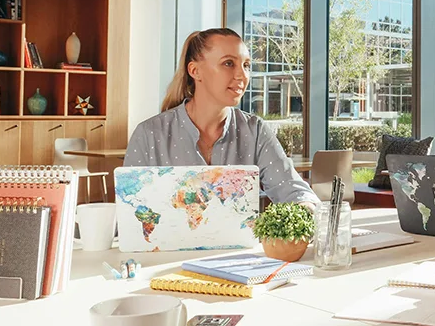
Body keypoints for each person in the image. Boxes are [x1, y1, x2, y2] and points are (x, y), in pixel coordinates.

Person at [124, 28, 319, 206]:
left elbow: (294, 192)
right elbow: (130, 211)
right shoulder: (148, 135)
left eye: (246, 65)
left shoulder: (255, 131)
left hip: (242, 247)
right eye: (228, 63)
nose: (242, 75)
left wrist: (305, 211)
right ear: (195, 71)